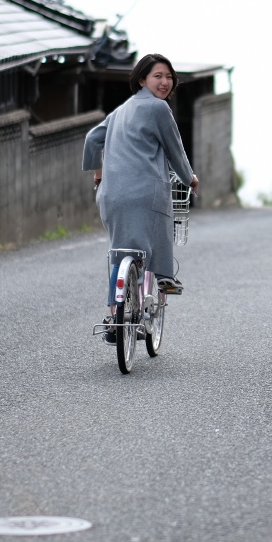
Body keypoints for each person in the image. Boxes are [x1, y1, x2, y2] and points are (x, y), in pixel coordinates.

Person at [82, 53, 198, 342]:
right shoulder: (158, 108)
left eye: (169, 77)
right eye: (158, 76)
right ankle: (164, 277)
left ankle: (114, 317)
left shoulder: (122, 110)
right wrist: (190, 178)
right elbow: (175, 149)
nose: (165, 82)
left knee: (121, 253)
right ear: (143, 79)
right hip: (145, 192)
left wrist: (98, 174)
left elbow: (91, 140)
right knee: (159, 226)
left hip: (110, 194)